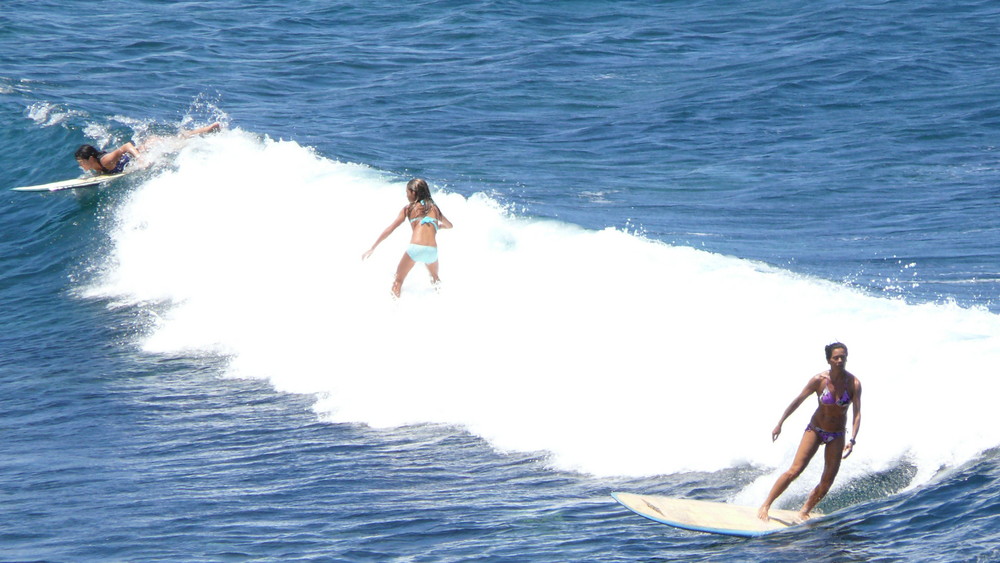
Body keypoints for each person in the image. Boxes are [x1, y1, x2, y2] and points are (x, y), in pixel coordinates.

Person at [757, 342, 862, 522]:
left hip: (836, 434)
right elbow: (798, 400)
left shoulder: (853, 383)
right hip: (816, 429)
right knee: (795, 470)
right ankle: (766, 505)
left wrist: (852, 439)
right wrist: (780, 423)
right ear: (829, 359)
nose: (839, 360)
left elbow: (857, 413)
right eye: (836, 357)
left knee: (828, 480)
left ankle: (804, 511)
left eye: (843, 357)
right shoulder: (819, 380)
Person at [362, 178, 453, 297]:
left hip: (415, 248)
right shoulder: (435, 209)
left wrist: (373, 247)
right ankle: (443, 302)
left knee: (398, 281)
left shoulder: (408, 208)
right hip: (432, 251)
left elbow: (391, 228)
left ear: (413, 193)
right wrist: (438, 226)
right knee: (435, 279)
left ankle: (393, 310)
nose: (406, 196)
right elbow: (450, 226)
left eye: (407, 192)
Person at [74, 122, 222, 175]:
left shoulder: (105, 161)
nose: (80, 165)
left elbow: (126, 146)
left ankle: (209, 130)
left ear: (91, 159)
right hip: (147, 146)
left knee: (183, 141)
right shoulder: (97, 167)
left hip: (150, 147)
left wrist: (141, 158)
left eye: (81, 162)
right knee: (181, 139)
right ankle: (208, 130)